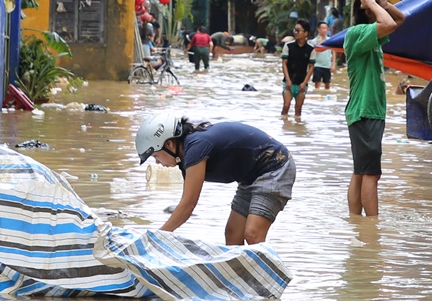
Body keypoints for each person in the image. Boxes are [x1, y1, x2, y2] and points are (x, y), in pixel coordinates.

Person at [136, 113, 294, 245]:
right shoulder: (185, 156)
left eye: (156, 155)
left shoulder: (196, 147)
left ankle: (268, 280)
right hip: (249, 178)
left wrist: (157, 239)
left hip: (274, 166)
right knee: (233, 234)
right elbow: (185, 202)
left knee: (253, 234)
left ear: (169, 144)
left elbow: (188, 204)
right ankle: (241, 281)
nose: (157, 162)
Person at [343, 0, 405, 218]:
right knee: (370, 174)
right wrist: (372, 4)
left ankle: (356, 221)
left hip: (368, 112)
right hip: (365, 111)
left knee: (361, 171)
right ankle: (372, 228)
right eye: (375, 4)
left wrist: (384, 4)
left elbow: (400, 18)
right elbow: (389, 24)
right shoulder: (358, 33)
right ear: (367, 10)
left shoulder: (370, 34)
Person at [280, 20, 313, 119]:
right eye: (295, 30)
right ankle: (284, 123)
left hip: (301, 83)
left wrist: (304, 83)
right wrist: (288, 80)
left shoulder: (311, 49)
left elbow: (311, 67)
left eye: (298, 31)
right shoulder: (288, 46)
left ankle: (298, 129)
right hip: (288, 82)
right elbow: (284, 64)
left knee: (298, 109)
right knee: (286, 105)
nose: (296, 33)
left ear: (306, 33)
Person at [310, 23, 335, 90]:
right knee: (317, 85)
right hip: (317, 65)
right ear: (319, 29)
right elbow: (312, 53)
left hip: (327, 65)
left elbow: (334, 51)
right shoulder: (313, 41)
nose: (325, 30)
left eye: (326, 28)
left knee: (327, 84)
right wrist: (318, 44)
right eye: (323, 28)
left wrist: (333, 64)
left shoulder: (330, 40)